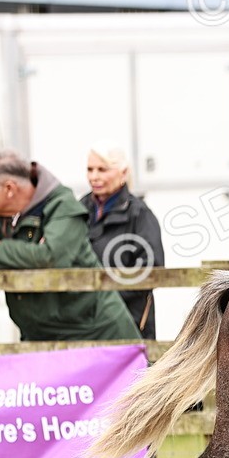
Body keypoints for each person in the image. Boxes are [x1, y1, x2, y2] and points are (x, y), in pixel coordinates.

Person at [0, 150, 140, 342]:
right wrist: (32, 255)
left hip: (96, 333)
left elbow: (51, 258)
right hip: (40, 334)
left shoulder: (62, 204)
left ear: (9, 188)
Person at [80, 143, 164, 339]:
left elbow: (152, 268)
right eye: (90, 169)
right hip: (84, 321)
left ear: (123, 172)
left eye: (102, 169)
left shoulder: (139, 214)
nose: (94, 177)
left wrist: (106, 298)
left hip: (128, 321)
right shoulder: (79, 210)